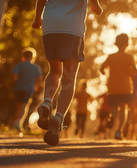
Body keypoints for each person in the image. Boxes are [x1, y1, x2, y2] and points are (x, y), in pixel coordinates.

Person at [32, 0, 103, 146]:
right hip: (71, 28)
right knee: (68, 77)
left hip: (51, 26)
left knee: (54, 70)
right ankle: (58, 117)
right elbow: (94, 4)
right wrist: (96, 6)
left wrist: (37, 18)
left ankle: (46, 102)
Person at [100, 33, 137, 140]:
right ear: (127, 44)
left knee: (114, 110)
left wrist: (103, 72)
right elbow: (135, 69)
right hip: (126, 87)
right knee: (123, 109)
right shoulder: (129, 57)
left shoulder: (111, 57)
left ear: (116, 43)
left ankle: (112, 118)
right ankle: (118, 131)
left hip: (113, 87)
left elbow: (102, 68)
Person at [11, 47, 42, 131]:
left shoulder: (19, 65)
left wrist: (15, 81)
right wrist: (36, 86)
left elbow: (14, 75)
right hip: (28, 88)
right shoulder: (35, 67)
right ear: (32, 57)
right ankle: (18, 123)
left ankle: (15, 123)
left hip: (18, 87)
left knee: (18, 106)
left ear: (23, 56)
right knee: (24, 106)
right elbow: (39, 78)